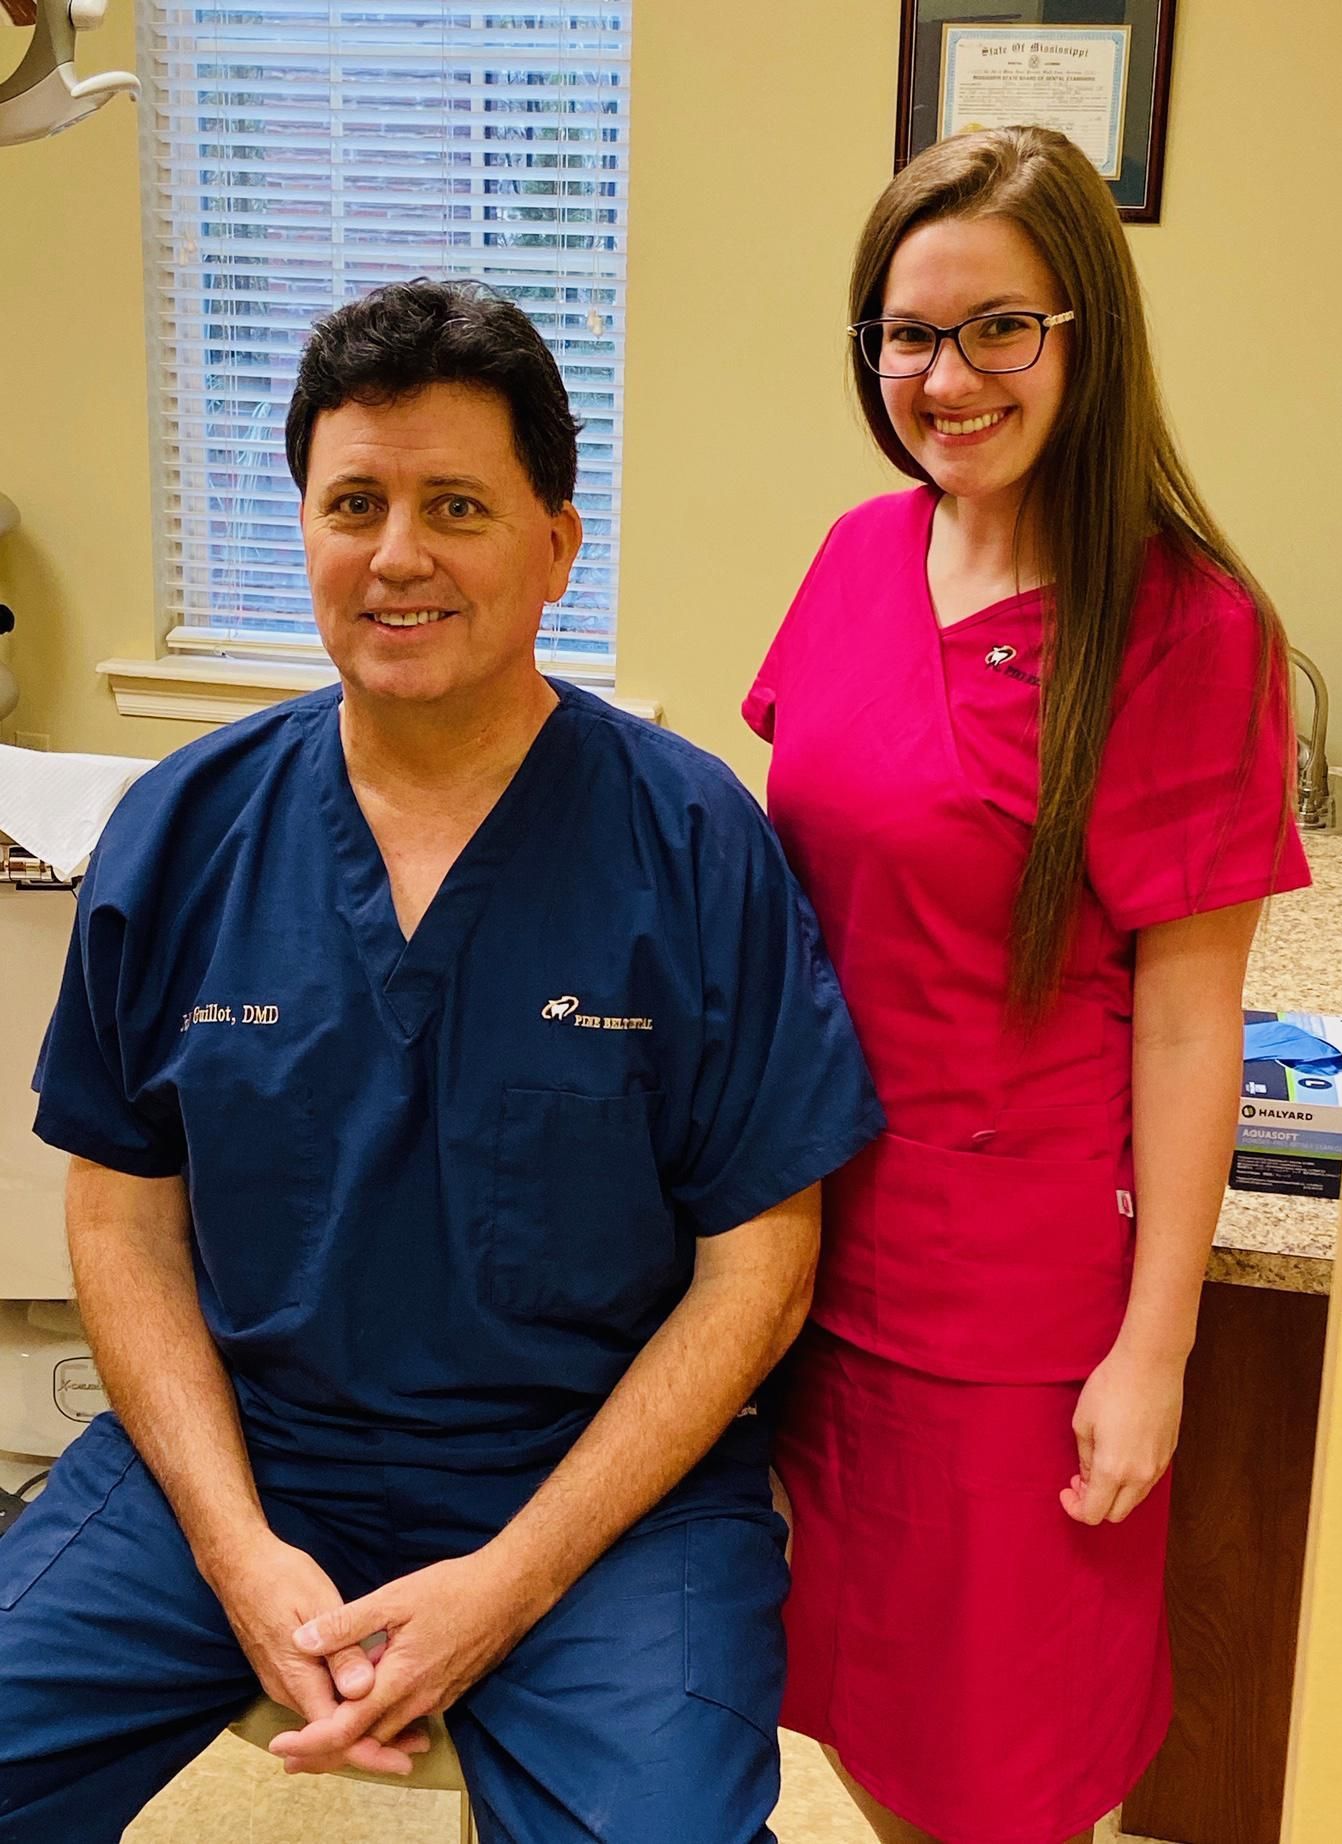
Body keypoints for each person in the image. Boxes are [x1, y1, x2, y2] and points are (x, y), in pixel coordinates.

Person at [0, 279, 883, 1844]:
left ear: (557, 542)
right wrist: (232, 1546)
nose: (397, 553)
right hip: (247, 1448)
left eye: (455, 504)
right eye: (356, 503)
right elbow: (121, 1216)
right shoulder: (187, 831)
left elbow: (763, 1271)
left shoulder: (691, 845)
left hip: (600, 1488)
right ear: (306, 532)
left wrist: (511, 1582)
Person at [743, 127, 1310, 1844]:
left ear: (1087, 335)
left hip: (1011, 1328)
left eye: (1000, 327)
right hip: (798, 1267)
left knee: (990, 1783)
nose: (946, 375)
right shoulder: (857, 556)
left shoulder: (1188, 630)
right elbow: (792, 886)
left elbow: (1194, 1022)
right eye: (907, 334)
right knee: (836, 1710)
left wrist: (1159, 1345)